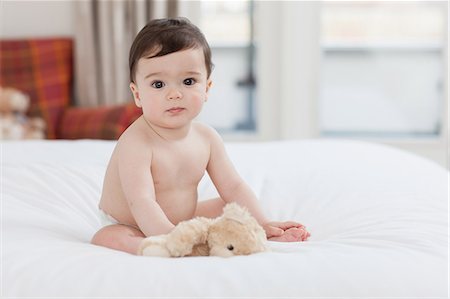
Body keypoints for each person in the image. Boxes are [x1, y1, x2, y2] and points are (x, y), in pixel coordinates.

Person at [91, 17, 310, 255]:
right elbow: (141, 202)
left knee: (232, 206)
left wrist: (263, 223)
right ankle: (151, 247)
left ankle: (250, 232)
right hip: (132, 222)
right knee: (110, 237)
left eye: (188, 81)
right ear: (137, 94)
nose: (174, 93)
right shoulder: (136, 142)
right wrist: (174, 238)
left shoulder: (207, 138)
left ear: (206, 88)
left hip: (183, 219)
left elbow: (234, 187)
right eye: (158, 84)